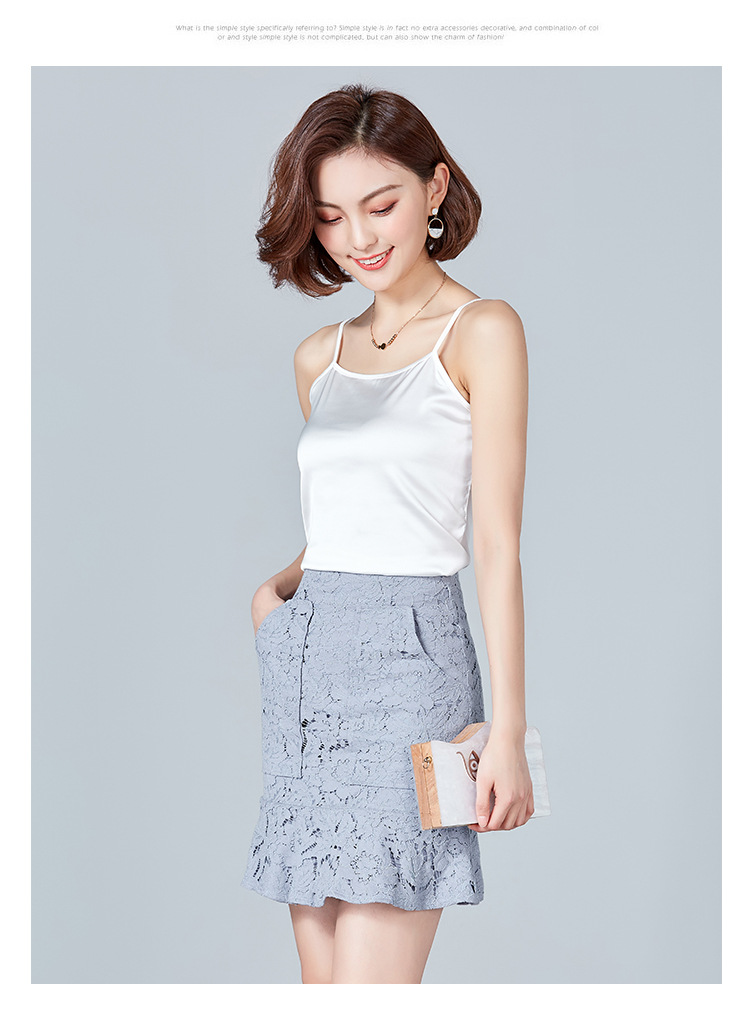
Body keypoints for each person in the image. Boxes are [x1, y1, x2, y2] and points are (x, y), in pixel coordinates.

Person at [240, 83, 533, 985]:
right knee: (321, 984)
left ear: (434, 188)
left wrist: (510, 729)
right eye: (331, 216)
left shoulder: (483, 331)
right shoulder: (317, 358)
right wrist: (274, 598)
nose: (357, 238)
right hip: (309, 670)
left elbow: (497, 543)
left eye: (380, 205)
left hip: (413, 664)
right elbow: (351, 519)